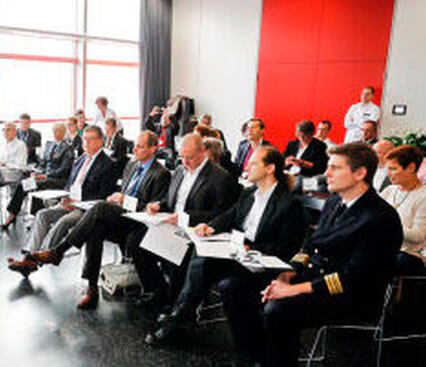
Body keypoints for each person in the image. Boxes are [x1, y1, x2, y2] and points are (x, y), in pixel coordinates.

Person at [219, 143, 402, 367]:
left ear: (360, 173)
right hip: (314, 276)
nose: (327, 173)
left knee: (278, 309)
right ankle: (254, 356)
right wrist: (289, 273)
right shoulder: (335, 201)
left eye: (335, 168)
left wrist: (292, 289)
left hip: (349, 294)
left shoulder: (380, 218)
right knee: (232, 288)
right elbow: (311, 244)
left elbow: (353, 278)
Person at [145, 146, 308, 346]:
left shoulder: (289, 204)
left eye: (254, 163)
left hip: (261, 262)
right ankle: (180, 314)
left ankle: (179, 315)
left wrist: (253, 249)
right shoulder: (249, 193)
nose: (247, 166)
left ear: (270, 168)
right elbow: (230, 215)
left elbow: (288, 248)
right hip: (238, 254)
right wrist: (210, 227)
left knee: (203, 261)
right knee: (199, 253)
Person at [14, 131, 171, 311]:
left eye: (140, 146)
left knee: (100, 208)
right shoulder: (131, 165)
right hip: (120, 215)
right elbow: (120, 193)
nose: (134, 149)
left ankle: (58, 251)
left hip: (138, 222)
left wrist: (123, 200)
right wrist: (116, 198)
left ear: (153, 149)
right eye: (135, 145)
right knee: (96, 227)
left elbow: (151, 208)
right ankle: (92, 288)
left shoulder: (161, 173)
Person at [130, 133, 240, 306]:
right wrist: (159, 205)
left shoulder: (220, 177)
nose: (185, 162)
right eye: (182, 157)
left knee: (177, 252)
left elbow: (220, 214)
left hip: (194, 230)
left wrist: (185, 217)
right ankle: (157, 289)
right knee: (135, 241)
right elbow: (170, 200)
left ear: (202, 152)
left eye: (190, 158)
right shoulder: (180, 170)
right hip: (171, 224)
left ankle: (174, 303)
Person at [16, 125, 115, 255]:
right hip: (70, 201)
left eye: (90, 139)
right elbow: (69, 183)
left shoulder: (108, 164)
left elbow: (103, 195)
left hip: (86, 209)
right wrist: (65, 197)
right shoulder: (80, 160)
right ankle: (32, 251)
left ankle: (45, 253)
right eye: (84, 139)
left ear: (100, 141)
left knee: (64, 221)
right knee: (42, 214)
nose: (86, 143)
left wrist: (78, 202)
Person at [380, 146, 426, 275]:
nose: (388, 174)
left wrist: (388, 226)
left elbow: (418, 236)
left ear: (411, 168)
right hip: (386, 248)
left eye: (393, 169)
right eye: (388, 169)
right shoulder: (389, 191)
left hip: (412, 254)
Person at [2, 123, 74, 231]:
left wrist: (45, 175)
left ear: (64, 133)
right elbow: (43, 163)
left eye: (59, 131)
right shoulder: (49, 145)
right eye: (55, 131)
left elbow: (64, 169)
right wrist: (37, 172)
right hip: (44, 176)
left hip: (57, 179)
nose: (56, 133)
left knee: (37, 185)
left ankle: (35, 217)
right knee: (23, 184)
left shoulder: (68, 148)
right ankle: (12, 214)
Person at [104, 117, 132, 183]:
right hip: (105, 166)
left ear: (114, 128)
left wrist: (109, 161)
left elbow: (120, 160)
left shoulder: (121, 141)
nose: (107, 132)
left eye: (108, 129)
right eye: (105, 129)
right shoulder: (104, 139)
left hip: (114, 169)